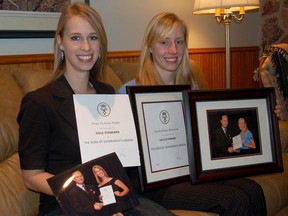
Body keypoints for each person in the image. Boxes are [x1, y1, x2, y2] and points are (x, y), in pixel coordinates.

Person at [17, 3, 174, 216]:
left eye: (93, 37)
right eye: (75, 38)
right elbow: (32, 177)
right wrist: (89, 197)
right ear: (60, 43)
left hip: (116, 197)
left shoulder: (108, 94)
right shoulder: (40, 102)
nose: (86, 47)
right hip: (67, 205)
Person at [118, 12, 268, 216]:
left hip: (191, 173)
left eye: (179, 42)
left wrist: (266, 116)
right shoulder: (129, 92)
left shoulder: (192, 89)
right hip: (155, 184)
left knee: (253, 189)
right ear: (150, 47)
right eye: (164, 42)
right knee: (236, 198)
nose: (173, 50)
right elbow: (120, 154)